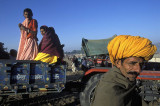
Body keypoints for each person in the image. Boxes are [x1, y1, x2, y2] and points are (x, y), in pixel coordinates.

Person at [91, 35, 157, 106]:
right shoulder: (111, 92)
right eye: (132, 63)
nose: (138, 70)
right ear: (118, 63)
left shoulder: (125, 81)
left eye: (141, 64)